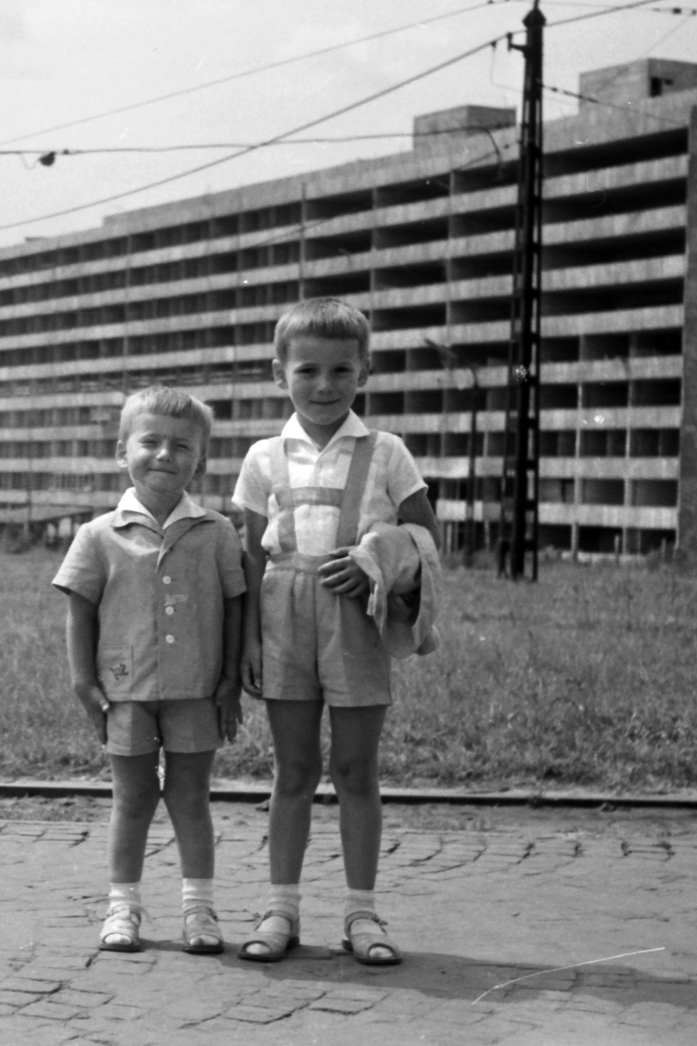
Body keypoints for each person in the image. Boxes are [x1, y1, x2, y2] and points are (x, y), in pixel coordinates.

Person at [233, 298, 442, 966]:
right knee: (292, 770)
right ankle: (281, 910)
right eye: (308, 371)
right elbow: (247, 557)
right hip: (282, 614)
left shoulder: (388, 453)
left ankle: (362, 914)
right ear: (279, 374)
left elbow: (426, 537)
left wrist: (376, 559)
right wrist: (247, 642)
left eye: (341, 371)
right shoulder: (263, 456)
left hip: (356, 618)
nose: (324, 386)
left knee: (355, 770)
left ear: (365, 372)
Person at [52, 386, 246, 955]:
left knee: (190, 796)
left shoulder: (216, 532)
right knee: (132, 797)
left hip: (198, 688)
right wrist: (82, 682)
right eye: (151, 442)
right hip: (124, 690)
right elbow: (79, 610)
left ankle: (199, 910)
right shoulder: (98, 535)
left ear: (201, 461)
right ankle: (123, 907)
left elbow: (236, 605)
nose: (165, 455)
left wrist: (231, 679)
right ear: (122, 452)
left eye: (181, 446)